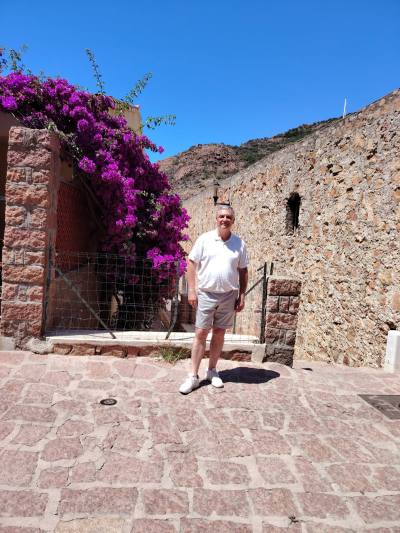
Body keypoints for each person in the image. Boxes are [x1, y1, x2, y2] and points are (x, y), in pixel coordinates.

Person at [179, 204, 249, 394]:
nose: (225, 220)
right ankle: (193, 376)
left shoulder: (239, 244)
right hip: (206, 294)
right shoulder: (205, 239)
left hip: (228, 295)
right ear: (216, 219)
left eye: (228, 217)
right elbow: (191, 263)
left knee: (219, 333)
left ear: (233, 221)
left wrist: (242, 295)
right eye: (221, 216)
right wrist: (192, 290)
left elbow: (243, 271)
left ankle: (212, 370)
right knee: (201, 333)